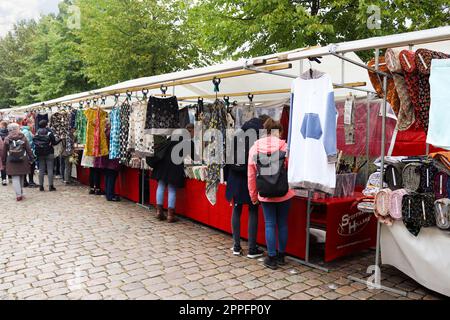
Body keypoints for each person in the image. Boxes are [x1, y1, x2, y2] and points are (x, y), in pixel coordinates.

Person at [248, 119, 295, 269]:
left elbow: (251, 175)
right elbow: (291, 169)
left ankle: (271, 257)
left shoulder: (255, 148)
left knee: (269, 223)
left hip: (265, 192)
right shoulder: (286, 147)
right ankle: (281, 255)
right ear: (278, 131)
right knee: (282, 223)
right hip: (284, 192)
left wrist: (253, 196)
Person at [226, 116, 269, 259]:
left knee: (236, 209)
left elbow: (227, 159)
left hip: (234, 178)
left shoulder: (237, 135)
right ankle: (251, 249)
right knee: (253, 210)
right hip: (250, 178)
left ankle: (236, 247)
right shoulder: (259, 139)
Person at [149, 124, 194, 223]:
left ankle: (159, 212)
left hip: (163, 164)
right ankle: (170, 215)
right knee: (172, 189)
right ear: (190, 131)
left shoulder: (174, 136)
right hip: (174, 166)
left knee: (161, 185)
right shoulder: (188, 141)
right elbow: (194, 156)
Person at [1, 123, 34, 201]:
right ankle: (21, 193)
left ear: (9, 130)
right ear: (17, 129)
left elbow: (4, 152)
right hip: (22, 158)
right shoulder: (23, 137)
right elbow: (28, 149)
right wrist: (31, 158)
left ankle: (19, 195)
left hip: (11, 160)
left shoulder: (7, 139)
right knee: (22, 176)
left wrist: (4, 161)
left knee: (15, 177)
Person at [33, 120, 59, 192]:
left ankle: (41, 186)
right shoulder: (49, 133)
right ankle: (51, 186)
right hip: (49, 152)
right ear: (46, 125)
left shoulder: (37, 133)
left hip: (40, 153)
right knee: (50, 169)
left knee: (41, 169)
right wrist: (60, 140)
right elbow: (54, 143)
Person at [21, 119, 37, 188]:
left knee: (26, 167)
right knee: (31, 166)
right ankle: (30, 182)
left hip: (26, 152)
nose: (33, 124)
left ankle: (25, 182)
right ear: (28, 124)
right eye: (32, 123)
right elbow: (27, 143)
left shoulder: (24, 131)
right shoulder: (26, 131)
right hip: (29, 152)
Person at [0, 121, 8, 185]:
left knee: (2, 166)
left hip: (2, 151)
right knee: (4, 165)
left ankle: (4, 179)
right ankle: (7, 178)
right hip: (6, 150)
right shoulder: (8, 132)